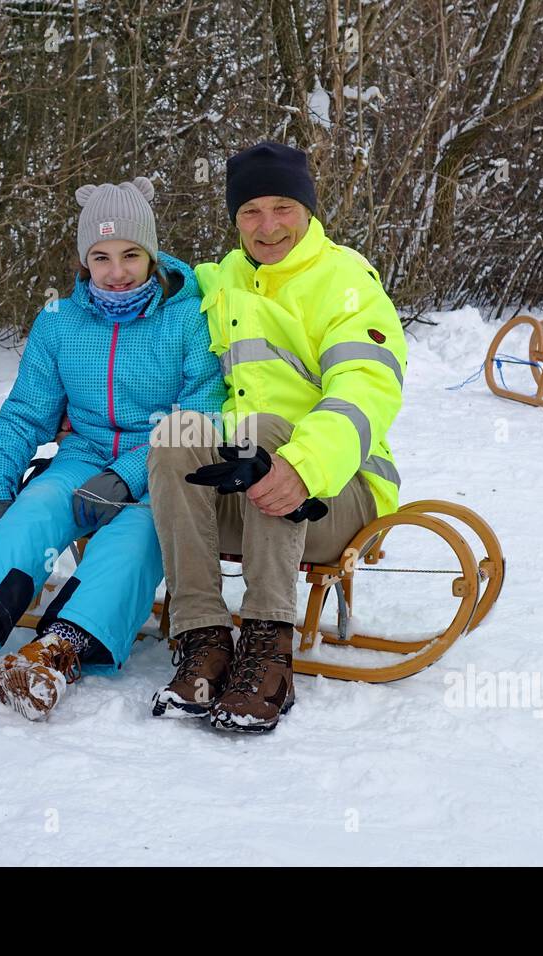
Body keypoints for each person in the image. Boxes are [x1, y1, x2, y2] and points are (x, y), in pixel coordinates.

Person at [0, 177, 225, 721]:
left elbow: (200, 415)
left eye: (130, 255)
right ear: (83, 261)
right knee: (37, 506)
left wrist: (127, 475)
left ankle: (57, 652)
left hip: (159, 471)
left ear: (151, 254)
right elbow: (24, 414)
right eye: (101, 257)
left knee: (137, 536)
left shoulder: (189, 318)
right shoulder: (59, 322)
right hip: (81, 456)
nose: (117, 272)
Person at [147, 142, 406, 733]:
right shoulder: (226, 278)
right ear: (234, 219)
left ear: (309, 209)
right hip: (246, 493)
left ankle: (268, 645)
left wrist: (305, 464)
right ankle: (203, 637)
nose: (267, 227)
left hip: (336, 493)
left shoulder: (345, 280)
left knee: (262, 433)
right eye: (250, 212)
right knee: (178, 431)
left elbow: (369, 386)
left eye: (282, 207)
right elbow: (169, 284)